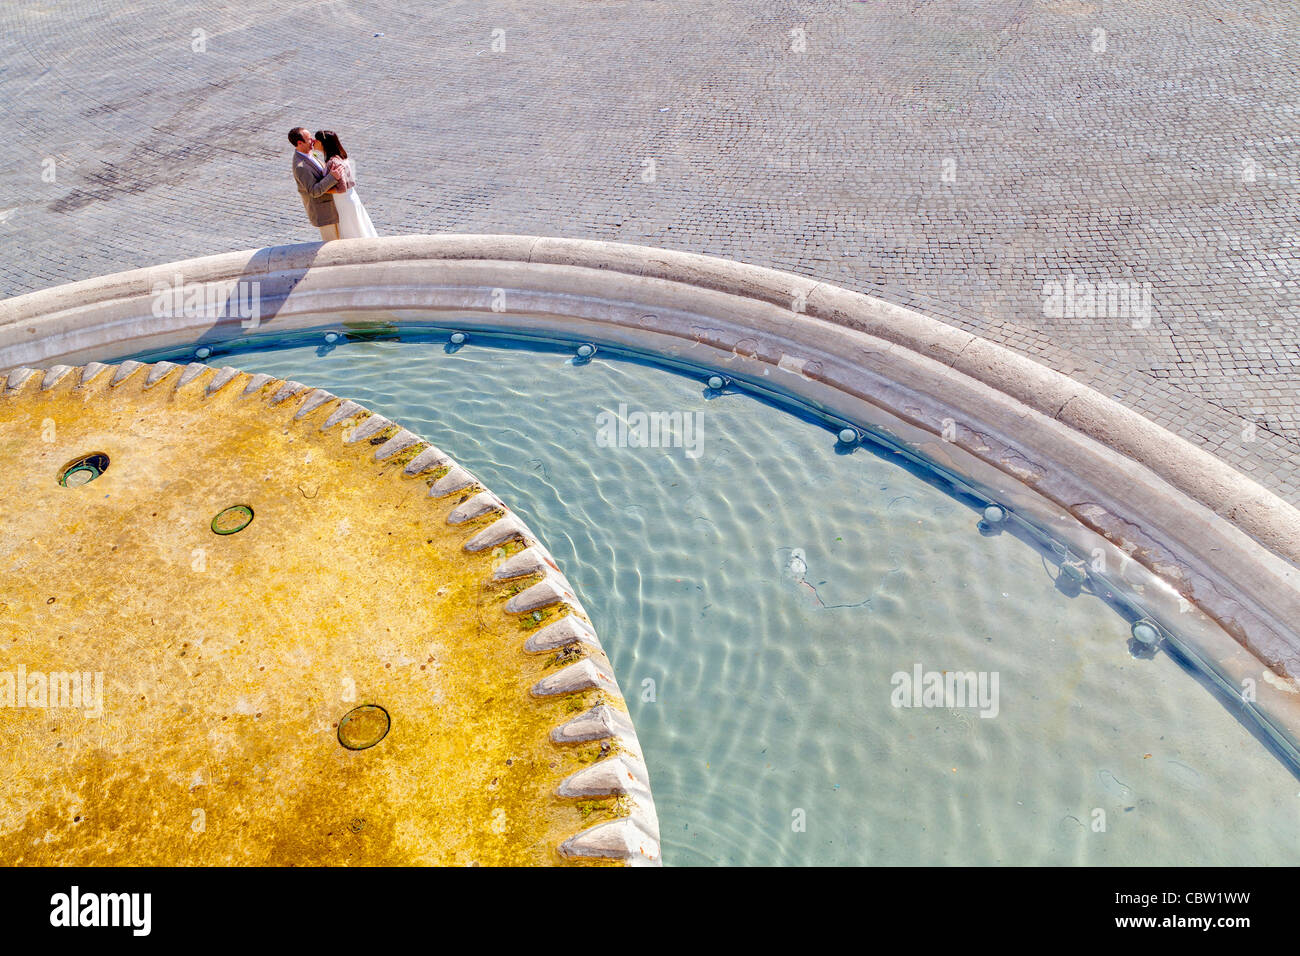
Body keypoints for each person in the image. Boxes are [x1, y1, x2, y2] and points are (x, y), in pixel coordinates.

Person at [315, 130, 379, 239]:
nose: (314, 142)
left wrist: (321, 190)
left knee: (351, 231)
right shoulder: (341, 156)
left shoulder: (333, 162)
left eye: (316, 140)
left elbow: (341, 188)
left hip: (343, 201)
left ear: (322, 143)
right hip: (351, 197)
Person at [289, 126, 340, 241]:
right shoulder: (300, 166)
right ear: (300, 143)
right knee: (333, 244)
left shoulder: (309, 153)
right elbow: (313, 191)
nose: (313, 140)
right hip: (324, 213)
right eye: (309, 139)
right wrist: (332, 177)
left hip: (333, 208)